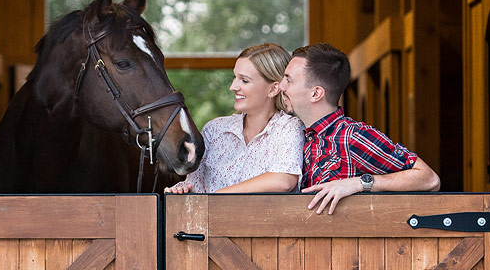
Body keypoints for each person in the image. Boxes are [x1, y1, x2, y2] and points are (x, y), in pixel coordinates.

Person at [280, 42, 440, 214]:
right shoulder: (295, 134)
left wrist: (358, 183)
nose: (281, 86)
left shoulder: (353, 136)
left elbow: (429, 179)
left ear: (316, 94)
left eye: (289, 80)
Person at [166, 43, 303, 194]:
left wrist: (219, 196)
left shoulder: (289, 127)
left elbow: (284, 181)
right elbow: (196, 187)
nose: (233, 87)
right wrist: (183, 190)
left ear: (273, 89)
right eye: (235, 77)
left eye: (244, 80)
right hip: (211, 218)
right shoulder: (214, 130)